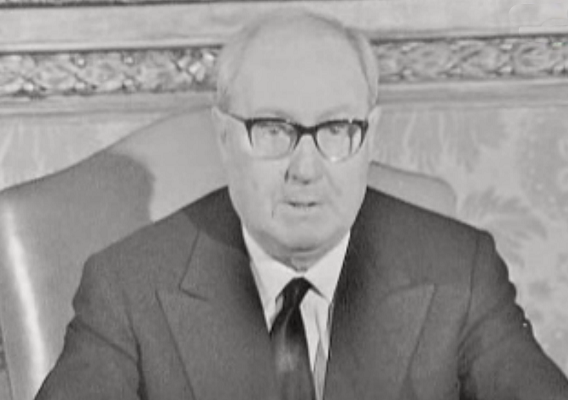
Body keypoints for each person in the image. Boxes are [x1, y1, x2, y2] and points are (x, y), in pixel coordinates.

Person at [36, 10, 568, 400]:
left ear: (370, 135)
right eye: (274, 129)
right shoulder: (127, 286)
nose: (306, 168)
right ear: (223, 137)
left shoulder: (460, 272)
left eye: (336, 129)